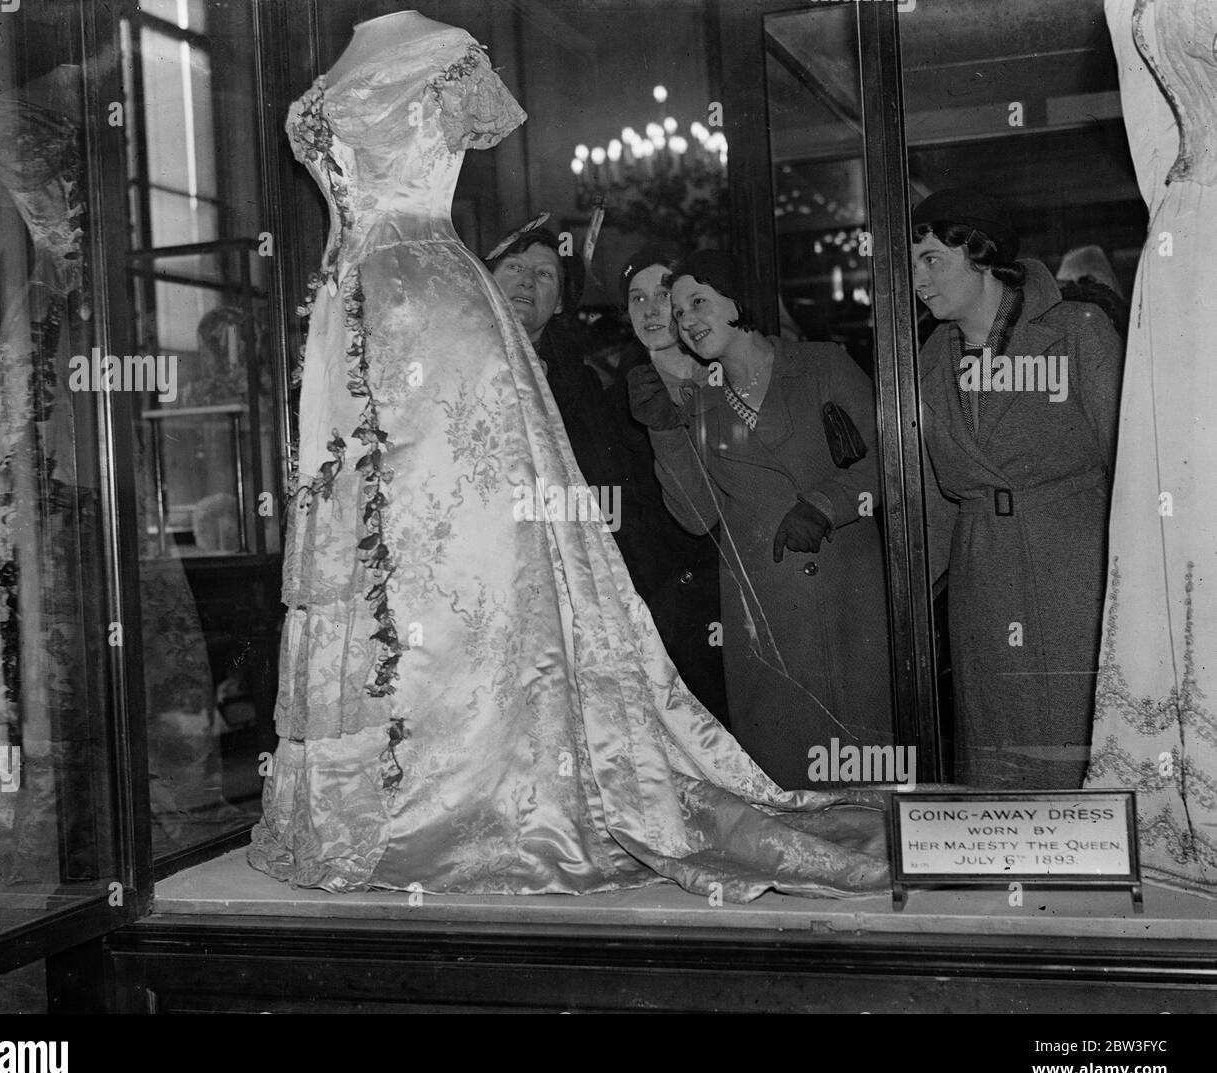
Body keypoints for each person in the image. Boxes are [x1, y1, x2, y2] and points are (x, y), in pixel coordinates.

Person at [247, 10, 888, 901]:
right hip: (350, 308)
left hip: (438, 304)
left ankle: (484, 789)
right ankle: (381, 793)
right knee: (377, 546)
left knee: (468, 552)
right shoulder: (329, 81)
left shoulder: (447, 52)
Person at [630, 250, 896, 790]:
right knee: (788, 778)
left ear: (738, 301)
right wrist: (665, 429)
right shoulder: (700, 402)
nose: (686, 320)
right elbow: (696, 514)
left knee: (868, 778)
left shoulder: (821, 365)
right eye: (679, 313)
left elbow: (892, 459)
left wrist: (825, 505)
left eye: (697, 302)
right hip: (764, 617)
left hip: (851, 601)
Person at [911, 188, 1123, 789]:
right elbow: (932, 497)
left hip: (1074, 569)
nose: (920, 280)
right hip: (982, 576)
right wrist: (907, 597)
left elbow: (1126, 465)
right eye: (914, 263)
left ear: (982, 258)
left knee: (1070, 736)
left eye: (934, 261)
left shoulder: (1078, 332)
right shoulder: (929, 360)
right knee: (995, 742)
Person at [607, 242, 729, 725]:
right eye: (637, 299)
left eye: (662, 294)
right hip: (669, 600)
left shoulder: (730, 374)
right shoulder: (617, 399)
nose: (652, 310)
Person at [484, 217, 629, 496]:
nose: (526, 281)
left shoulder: (582, 388)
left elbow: (603, 487)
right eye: (514, 267)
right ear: (488, 282)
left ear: (560, 302)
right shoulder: (453, 361)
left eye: (544, 274)